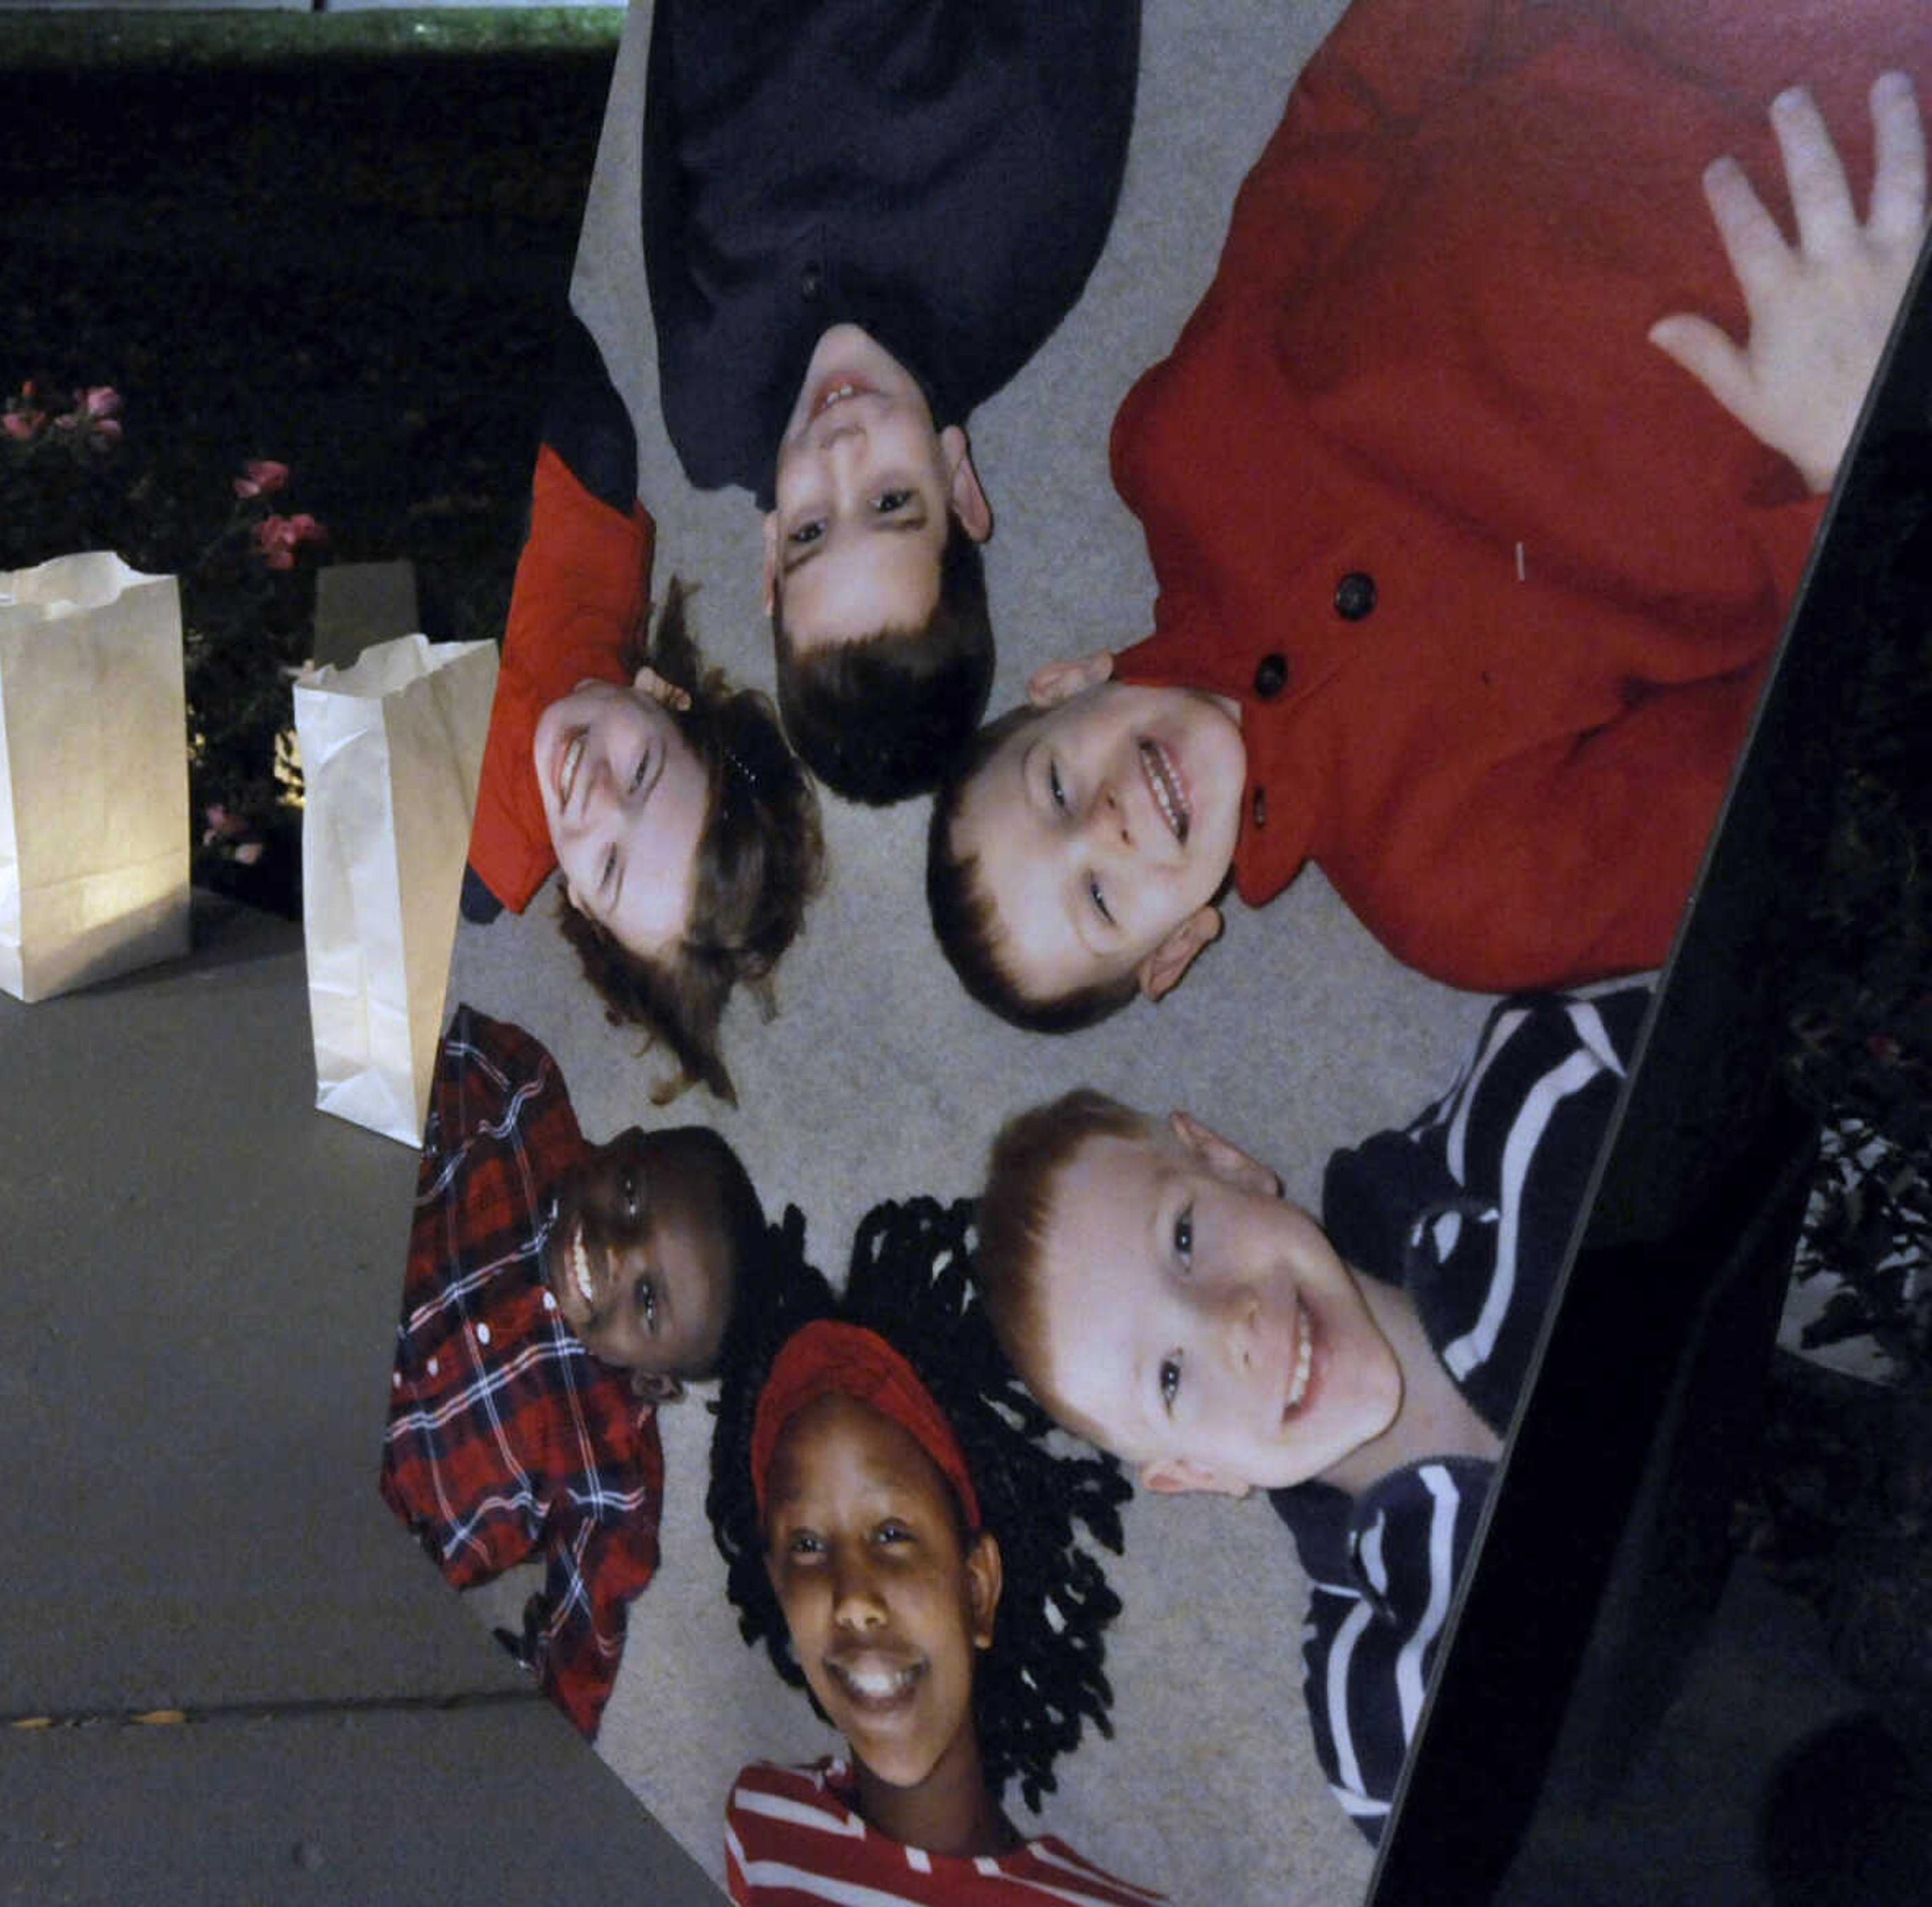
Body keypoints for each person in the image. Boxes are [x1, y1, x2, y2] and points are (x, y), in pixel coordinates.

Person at [928, 0, 1929, 1028]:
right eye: (1098, 897)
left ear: (1066, 685)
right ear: (1177, 948)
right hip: (1891, 296)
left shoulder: (1174, 449)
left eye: (1053, 787)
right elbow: (1831, 773)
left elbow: (1340, 131)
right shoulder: (1467, 899)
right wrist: (1857, 454)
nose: (1106, 822)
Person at [972, 980, 1652, 1839]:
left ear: (1228, 1163)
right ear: (1196, 1473)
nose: (1234, 1327)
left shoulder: (1540, 1088)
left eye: (1185, 1238)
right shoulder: (1376, 1714)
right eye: (1171, 1380)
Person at [641, 0, 1141, 803]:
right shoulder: (1034, 228)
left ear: (769, 556)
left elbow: (663, 147)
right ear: (960, 484)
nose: (839, 453)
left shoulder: (709, 409)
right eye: (891, 499)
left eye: (810, 530)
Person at [707, 1195, 1156, 1902]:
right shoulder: (761, 1828)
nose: (852, 1598)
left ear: (977, 1589)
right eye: (807, 1546)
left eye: (891, 1535)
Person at [380, 1003, 778, 1738]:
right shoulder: (520, 1099)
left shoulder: (615, 1487)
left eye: (648, 1303)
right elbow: (413, 1055)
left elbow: (576, 1662)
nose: (616, 1253)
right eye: (631, 1195)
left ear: (654, 1384)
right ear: (623, 1142)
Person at [465, 307, 822, 1104]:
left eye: (612, 866)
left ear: (586, 905)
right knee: (598, 443)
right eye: (642, 771)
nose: (595, 794)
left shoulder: (483, 849)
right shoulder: (593, 522)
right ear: (663, 694)